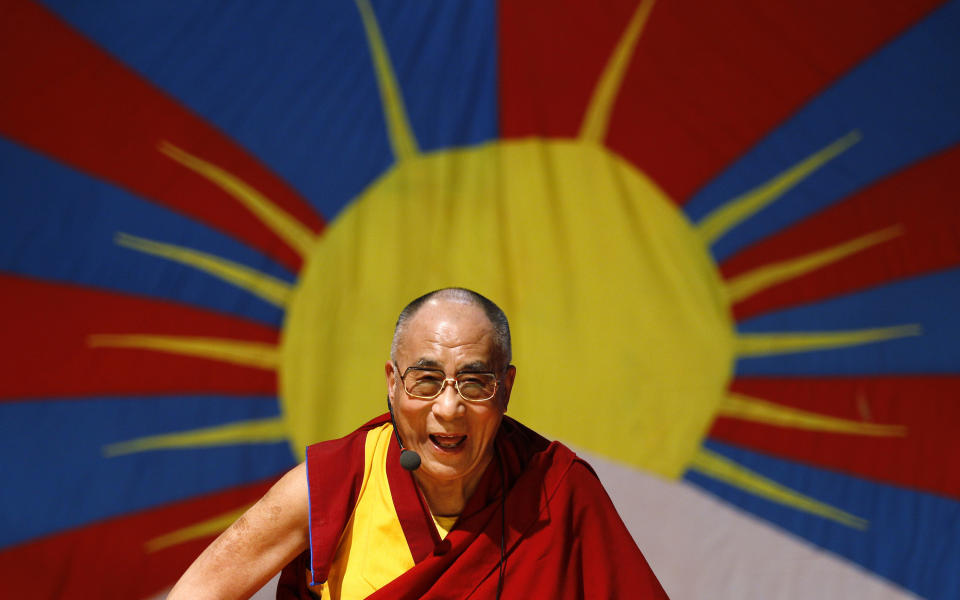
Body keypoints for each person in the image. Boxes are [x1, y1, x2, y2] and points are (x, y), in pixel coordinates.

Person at [168, 288, 668, 599]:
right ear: (391, 382)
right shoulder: (335, 485)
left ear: (507, 387)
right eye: (425, 381)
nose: (448, 409)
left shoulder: (556, 491)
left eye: (474, 383)